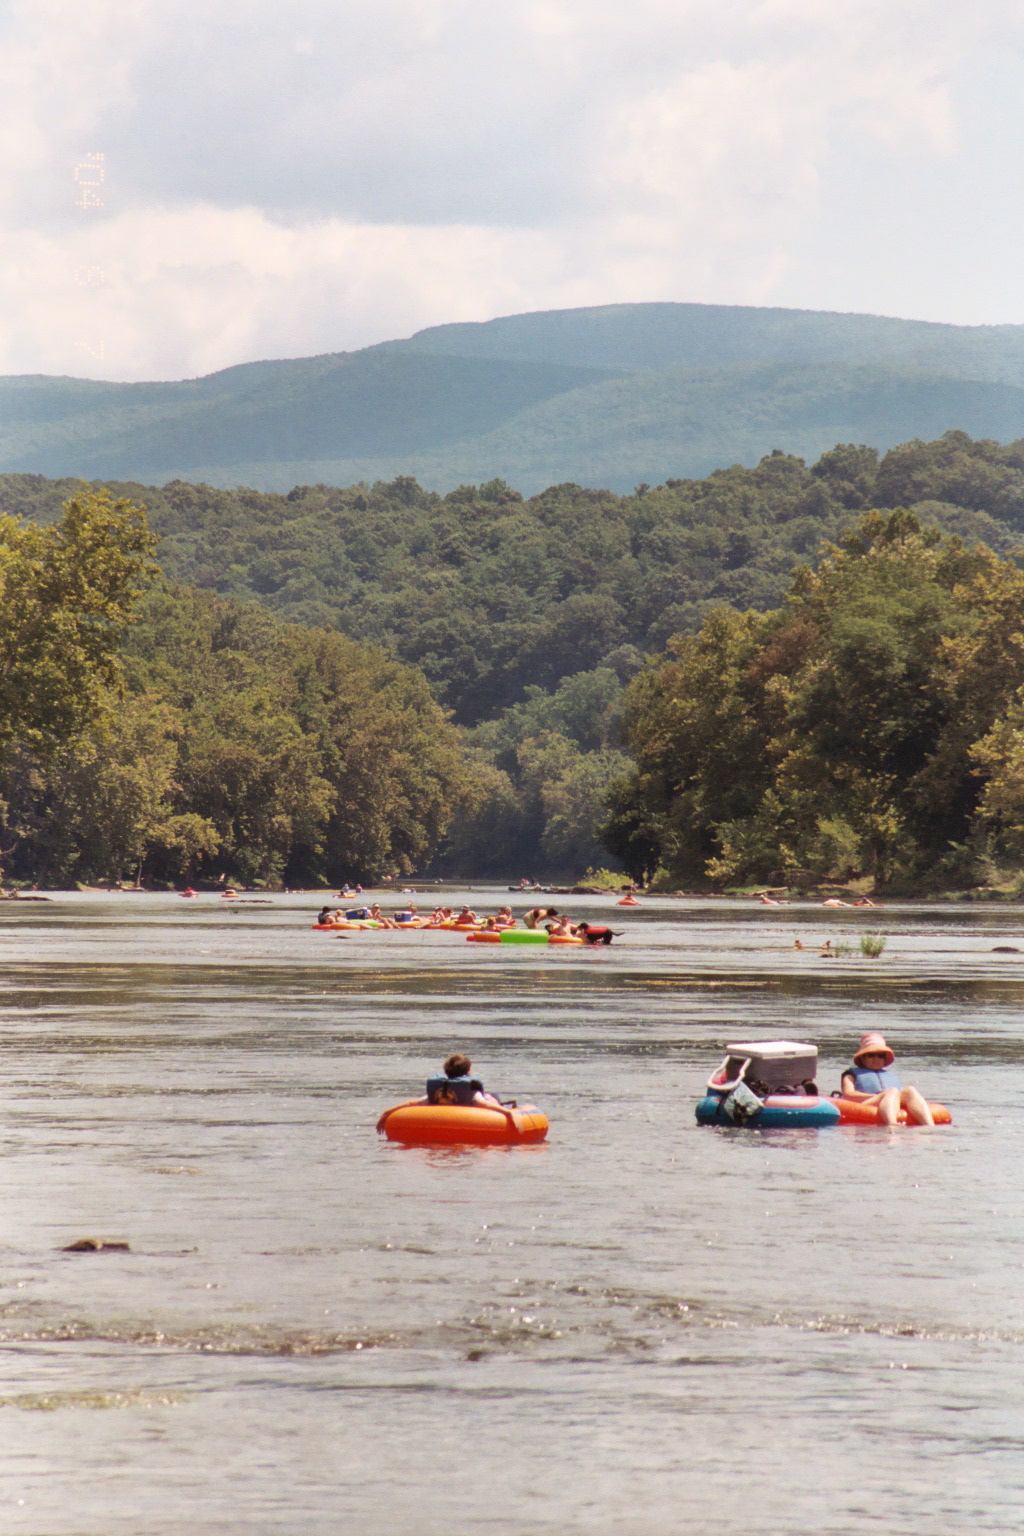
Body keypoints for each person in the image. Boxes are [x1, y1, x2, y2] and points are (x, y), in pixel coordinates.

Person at [840, 1032, 935, 1126]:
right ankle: (891, 1125)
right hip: (865, 1105)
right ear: (863, 1058)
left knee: (910, 1090)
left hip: (892, 1101)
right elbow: (848, 1095)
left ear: (884, 1058)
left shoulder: (890, 1075)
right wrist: (880, 1095)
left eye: (880, 1055)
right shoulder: (850, 1075)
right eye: (871, 1055)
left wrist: (888, 1095)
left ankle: (930, 1126)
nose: (876, 1059)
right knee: (892, 1091)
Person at [426, 1053, 505, 1108]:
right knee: (491, 1096)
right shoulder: (471, 1090)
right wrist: (507, 1112)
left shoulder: (439, 1088)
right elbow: (484, 1104)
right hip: (468, 1116)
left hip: (442, 1115)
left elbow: (420, 1101)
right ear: (468, 1072)